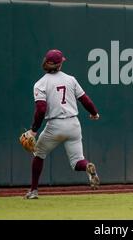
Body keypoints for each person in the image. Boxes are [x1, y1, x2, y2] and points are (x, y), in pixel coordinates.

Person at [24, 49, 100, 199]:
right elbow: (85, 100)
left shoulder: (40, 84)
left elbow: (41, 110)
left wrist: (33, 131)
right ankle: (87, 167)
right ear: (59, 65)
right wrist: (94, 113)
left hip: (55, 125)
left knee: (39, 154)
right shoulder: (70, 79)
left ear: (46, 63)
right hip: (73, 124)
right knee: (77, 161)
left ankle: (33, 191)